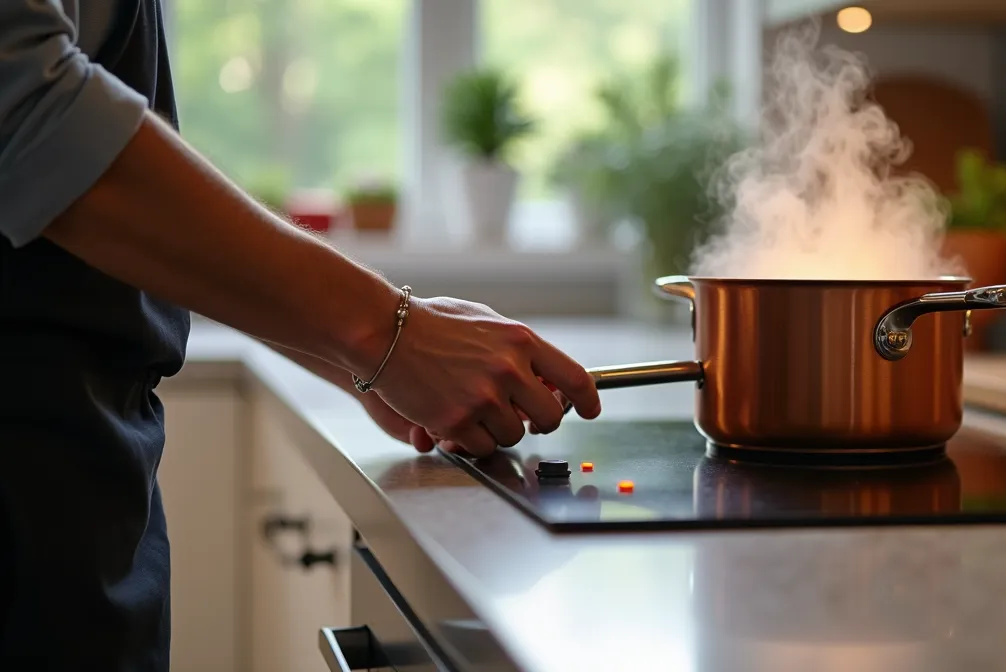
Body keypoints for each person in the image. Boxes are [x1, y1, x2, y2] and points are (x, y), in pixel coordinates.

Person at [0, 1, 601, 669]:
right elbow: (30, 115)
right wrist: (390, 337)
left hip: (76, 504)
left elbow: (119, 207)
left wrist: (358, 357)